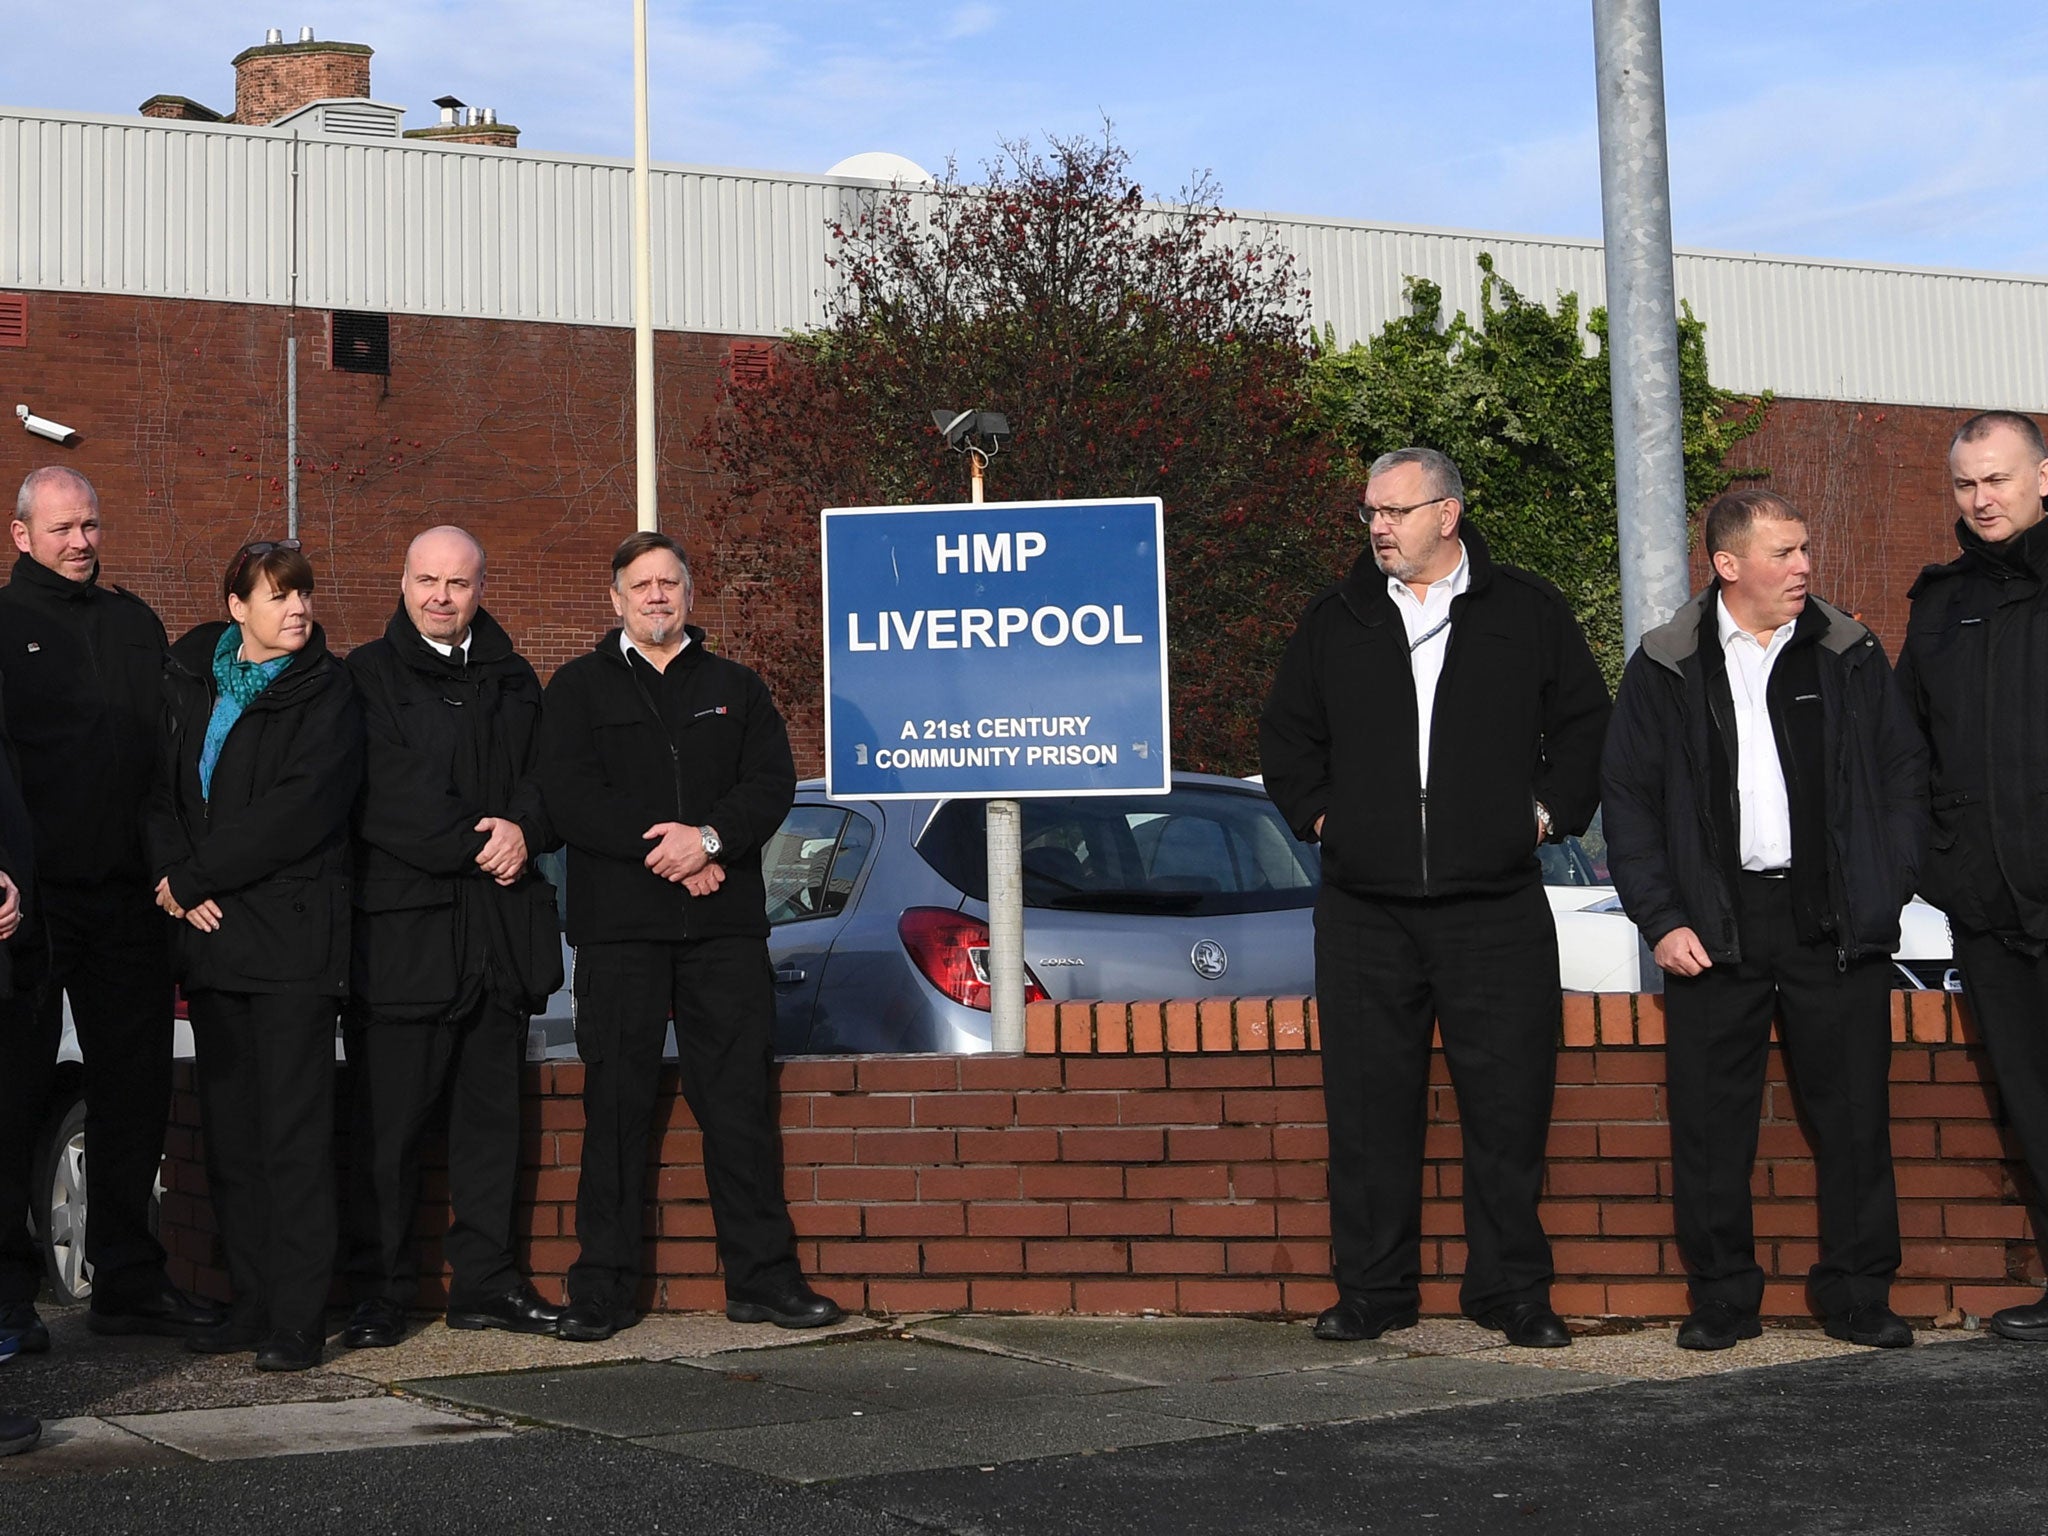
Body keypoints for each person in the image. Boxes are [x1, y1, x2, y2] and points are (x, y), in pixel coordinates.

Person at [1259, 447, 1610, 1349]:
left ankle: (1512, 1293)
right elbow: (1288, 738)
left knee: (1509, 1107)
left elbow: (1583, 728)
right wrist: (1330, 823)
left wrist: (1539, 818)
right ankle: (1374, 1292)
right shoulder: (1335, 620)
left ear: (1448, 515)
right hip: (1364, 911)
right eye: (1370, 512)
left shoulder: (1526, 610)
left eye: (1397, 511)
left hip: (1494, 906)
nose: (1378, 527)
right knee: (1370, 1113)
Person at [1602, 489, 1928, 1351]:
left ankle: (1858, 1294)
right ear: (1727, 565)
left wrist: (1882, 889)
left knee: (1854, 1116)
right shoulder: (1666, 662)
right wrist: (1662, 918)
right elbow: (1629, 804)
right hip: (1712, 925)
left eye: (1805, 550)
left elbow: (1902, 778)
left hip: (1833, 919)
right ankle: (1722, 1298)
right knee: (1711, 1124)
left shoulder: (1848, 651)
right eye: (1784, 553)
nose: (1804, 567)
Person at [539, 530, 839, 1341]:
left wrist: (708, 840)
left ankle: (764, 1282)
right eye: (641, 585)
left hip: (723, 937)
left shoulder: (737, 688)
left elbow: (771, 784)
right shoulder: (575, 690)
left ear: (691, 596)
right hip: (619, 937)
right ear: (616, 599)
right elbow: (570, 797)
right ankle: (599, 1290)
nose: (657, 596)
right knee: (615, 1111)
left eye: (670, 583)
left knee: (739, 1109)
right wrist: (671, 852)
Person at [0, 467, 221, 1346]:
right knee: (13, 1098)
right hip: (31, 903)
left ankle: (129, 1280)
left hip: (130, 902)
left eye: (90, 525)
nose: (80, 542)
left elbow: (165, 764)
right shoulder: (4, 624)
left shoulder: (136, 625)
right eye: (61, 529)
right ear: (21, 535)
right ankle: (8, 1298)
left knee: (133, 1097)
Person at [339, 527, 564, 1349]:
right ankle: (379, 1291)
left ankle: (487, 1284)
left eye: (457, 584)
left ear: (480, 587)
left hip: (498, 946)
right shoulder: (364, 678)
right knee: (387, 1133)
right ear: (402, 582)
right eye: (427, 580)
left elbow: (549, 782)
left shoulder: (514, 679)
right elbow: (383, 797)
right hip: (405, 949)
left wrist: (525, 830)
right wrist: (481, 843)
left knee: (490, 1131)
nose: (440, 596)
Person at [148, 540, 363, 1372]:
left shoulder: (328, 691)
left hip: (292, 946)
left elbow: (298, 810)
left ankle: (299, 1321)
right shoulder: (192, 677)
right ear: (237, 607)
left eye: (304, 594)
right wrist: (172, 875)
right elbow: (161, 790)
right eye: (279, 596)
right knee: (232, 1135)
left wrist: (195, 874)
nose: (298, 609)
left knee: (293, 1138)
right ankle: (254, 1301)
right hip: (209, 941)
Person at [1899, 410, 2048, 1344]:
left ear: (2043, 476)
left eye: (1997, 478)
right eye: (1965, 484)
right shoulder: (1941, 604)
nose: (1981, 499)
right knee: (2033, 1106)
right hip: (1990, 914)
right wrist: (1939, 868)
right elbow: (1905, 754)